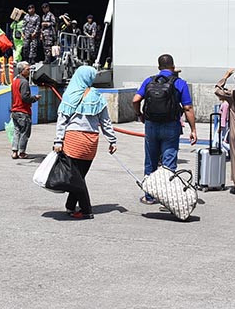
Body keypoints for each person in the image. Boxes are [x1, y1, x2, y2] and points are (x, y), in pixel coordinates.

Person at [53, 65, 117, 219]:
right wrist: (112, 140)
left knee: (76, 177)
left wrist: (58, 141)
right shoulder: (97, 96)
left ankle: (86, 209)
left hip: (73, 139)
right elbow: (106, 121)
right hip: (91, 141)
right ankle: (70, 206)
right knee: (79, 174)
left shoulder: (70, 94)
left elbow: (62, 120)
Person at [132, 54, 197, 205]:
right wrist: (193, 129)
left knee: (151, 161)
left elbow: (135, 100)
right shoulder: (180, 83)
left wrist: (139, 114)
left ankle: (149, 196)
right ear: (173, 67)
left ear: (159, 67)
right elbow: (187, 108)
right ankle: (166, 198)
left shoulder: (149, 81)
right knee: (169, 162)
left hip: (151, 125)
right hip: (171, 126)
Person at [10, 62, 37, 159]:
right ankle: (22, 152)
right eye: (27, 69)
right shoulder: (24, 82)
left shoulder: (15, 80)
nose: (29, 71)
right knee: (25, 132)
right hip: (23, 111)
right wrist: (34, 98)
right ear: (22, 71)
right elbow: (25, 98)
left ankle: (14, 151)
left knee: (17, 131)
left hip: (15, 110)